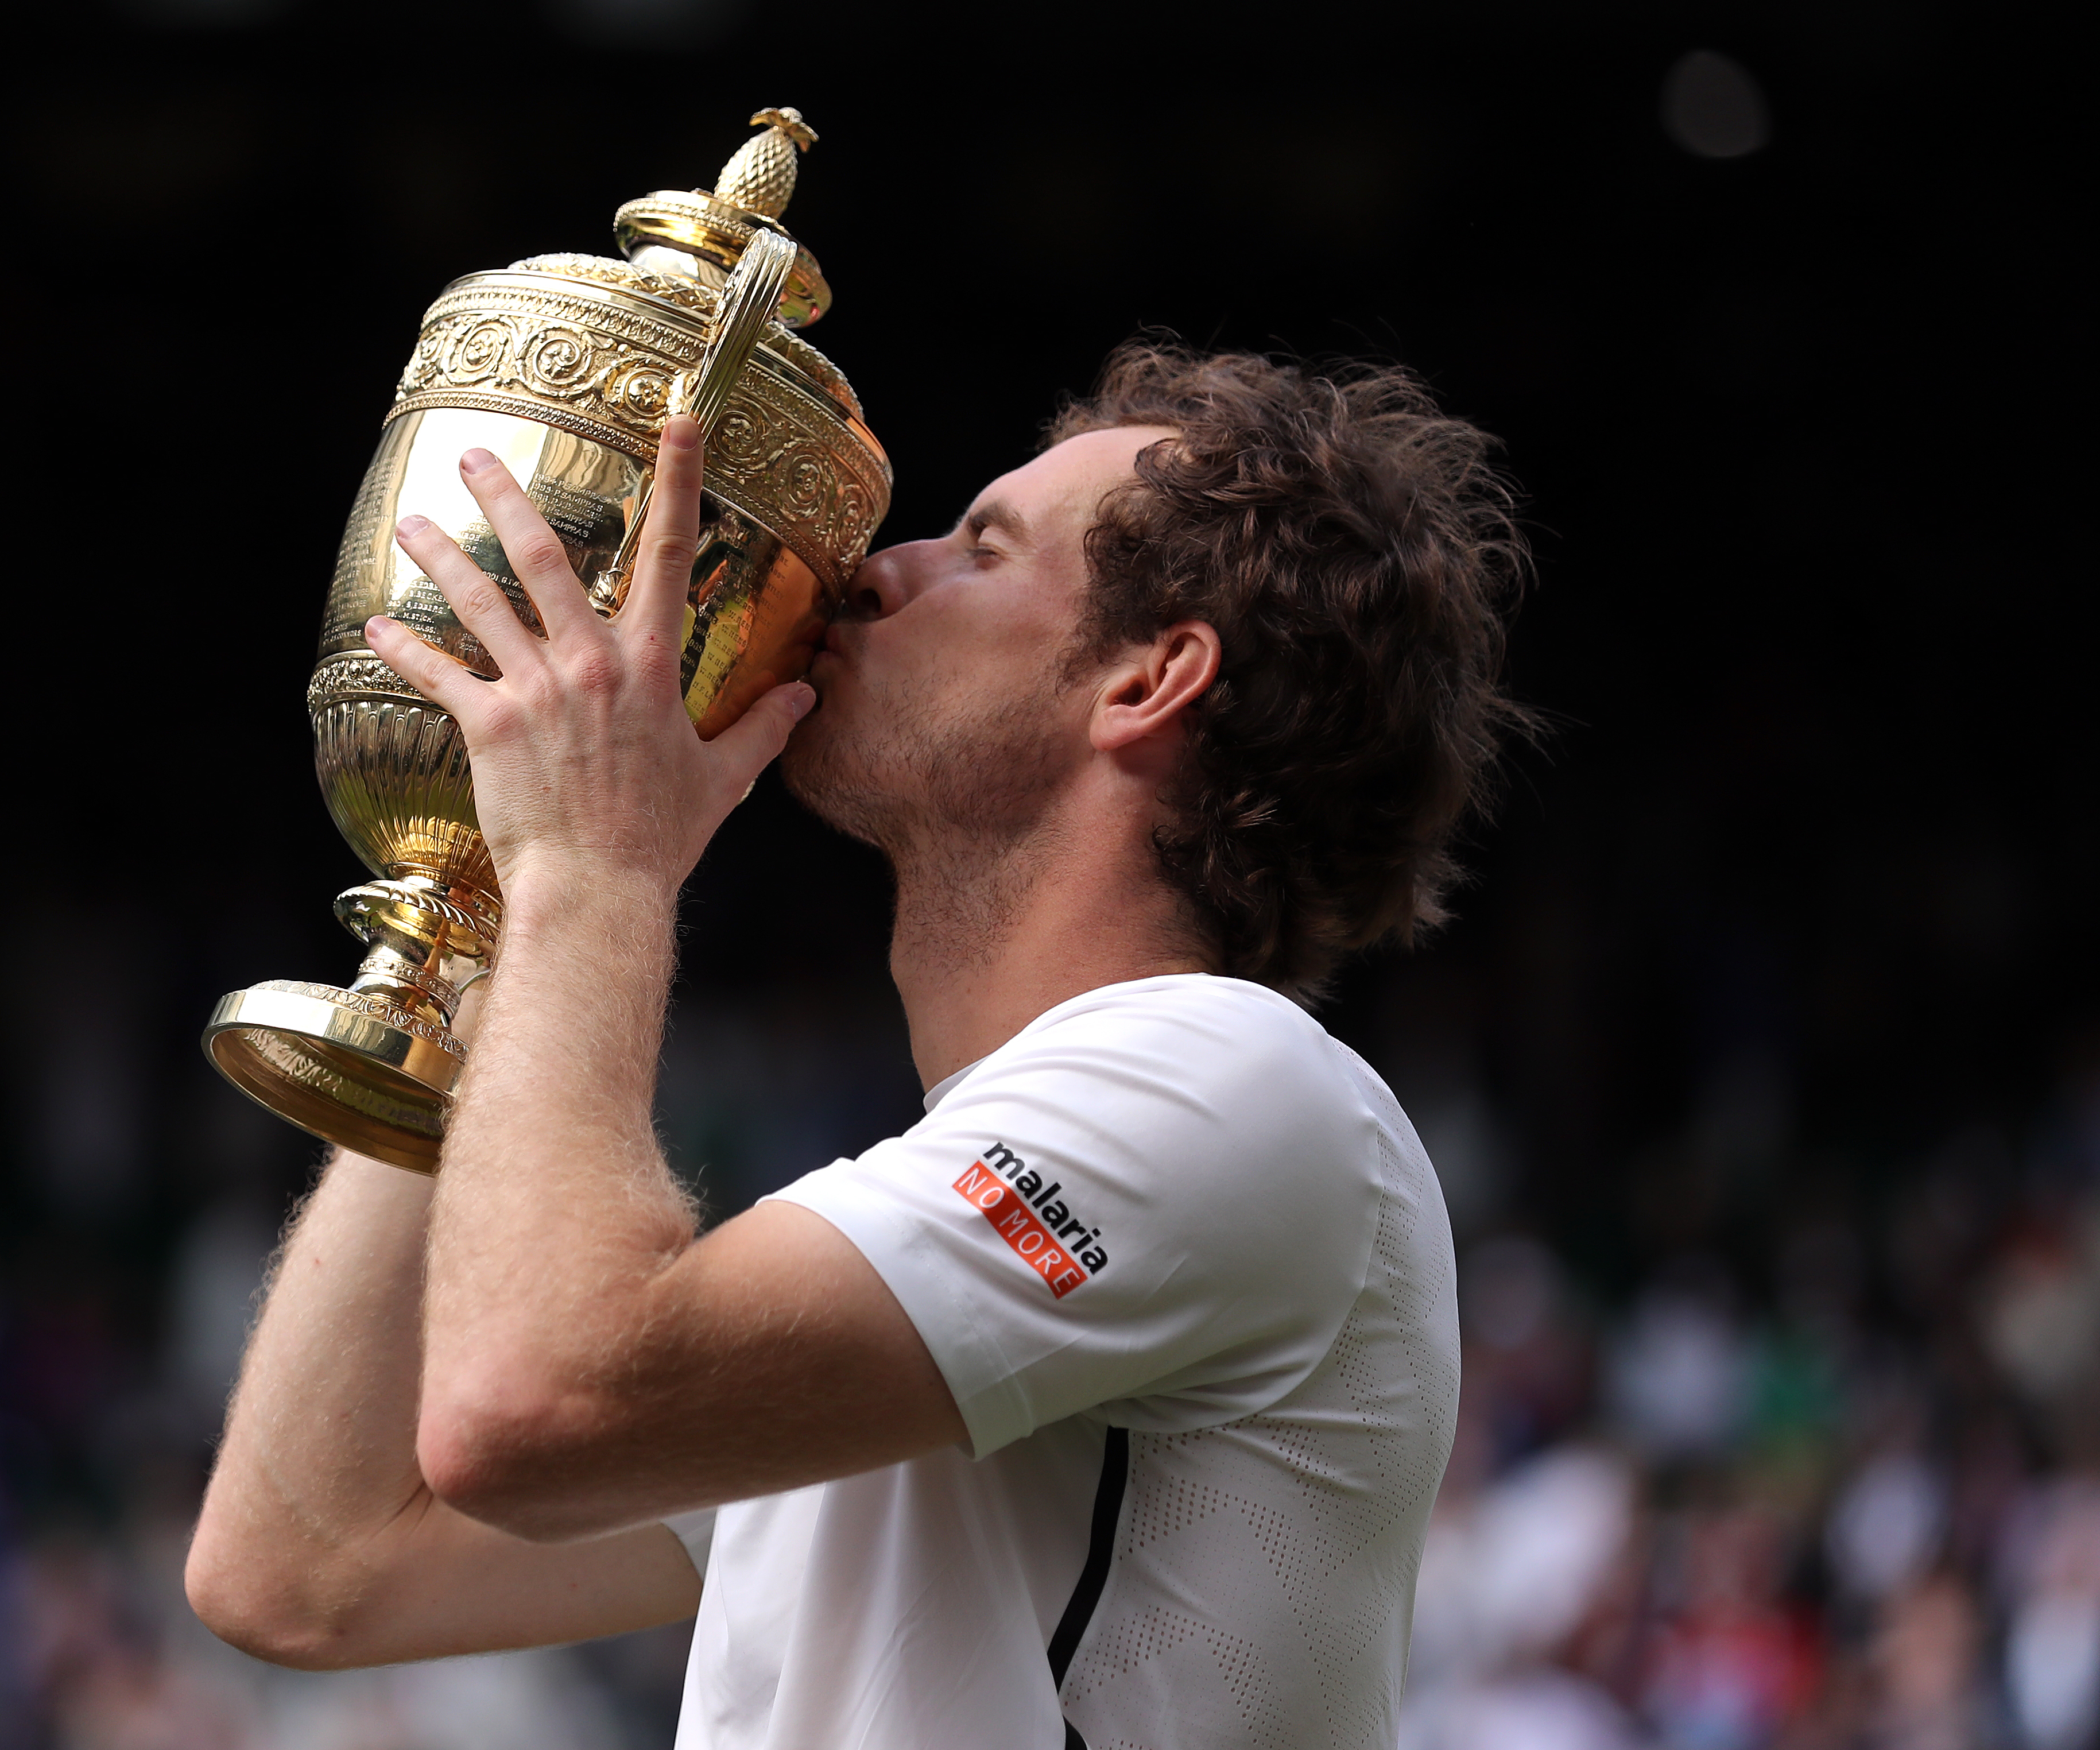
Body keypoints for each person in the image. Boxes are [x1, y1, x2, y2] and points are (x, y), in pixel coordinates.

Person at [185, 343, 1531, 1750]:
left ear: (1150, 679)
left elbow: (532, 1402)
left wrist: (595, 868)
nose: (881, 571)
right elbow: (303, 1571)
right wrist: (485, 899)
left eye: (984, 548)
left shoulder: (1234, 1079)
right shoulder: (920, 1256)